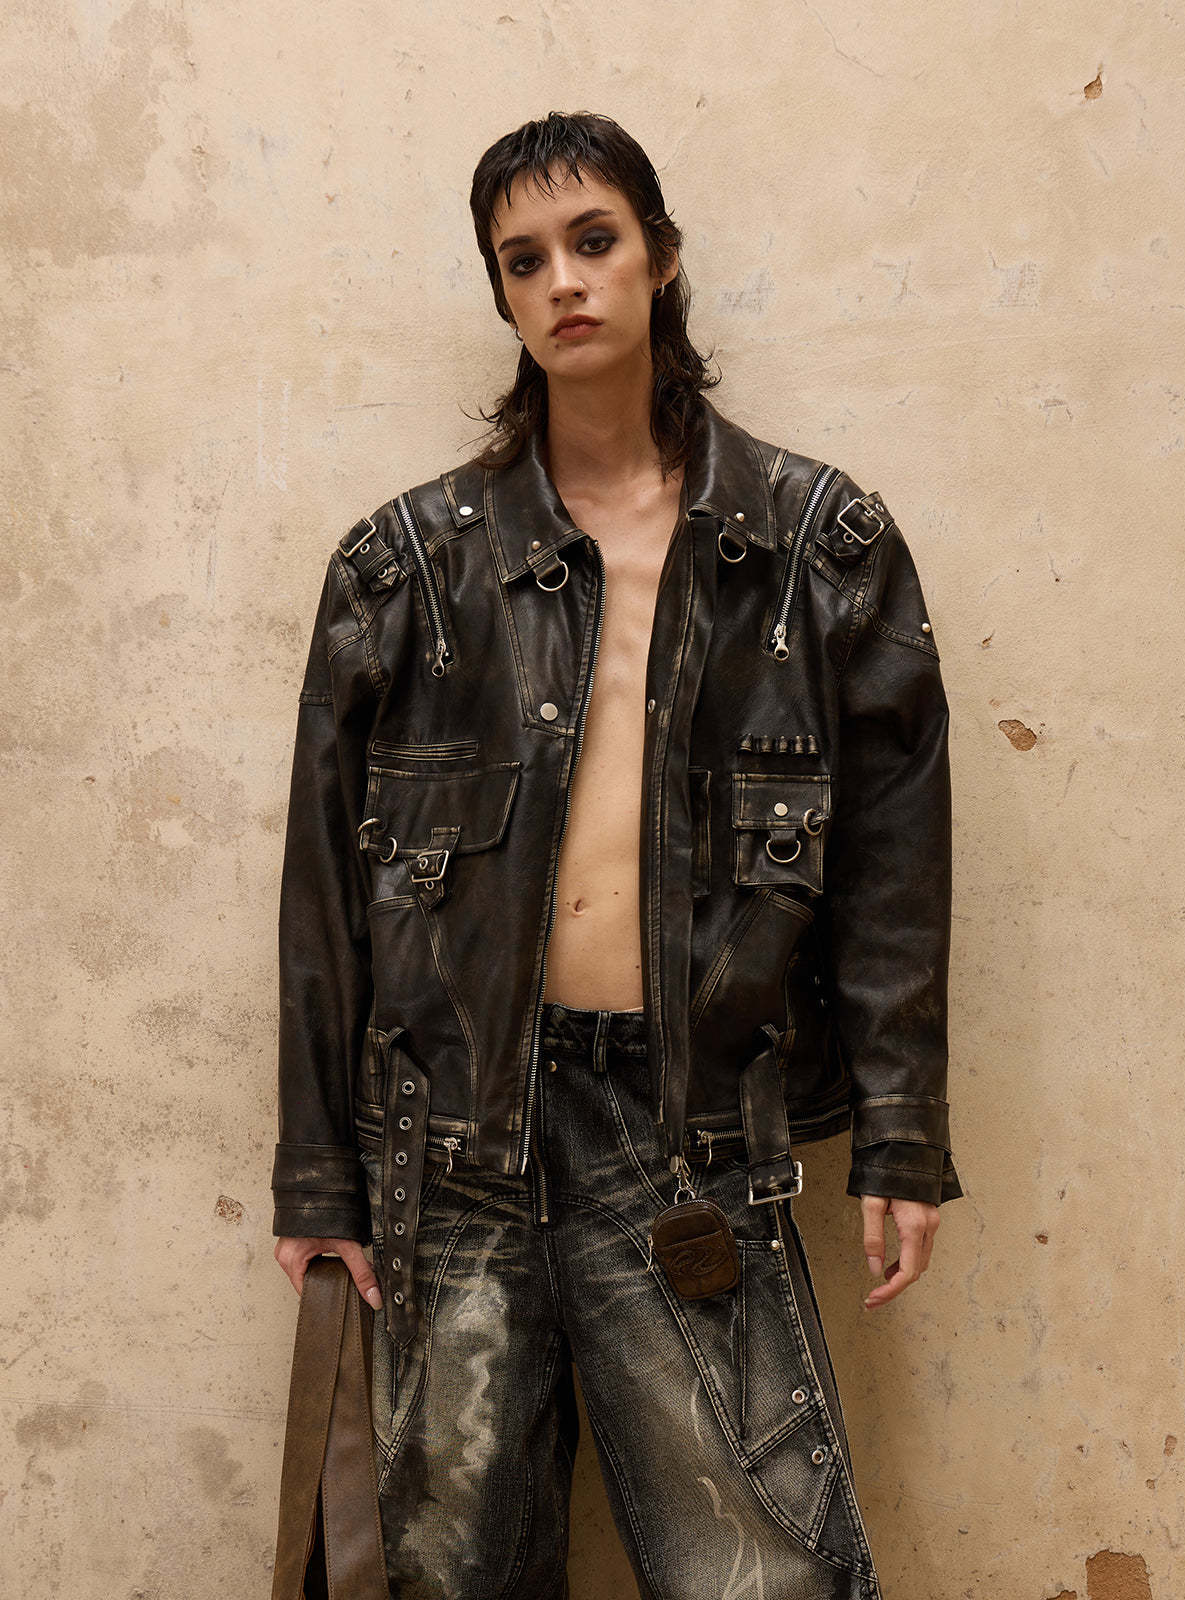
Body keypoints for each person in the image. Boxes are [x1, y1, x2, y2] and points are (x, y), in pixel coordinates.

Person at [271, 110, 964, 1599]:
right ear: (503, 297)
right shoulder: (406, 572)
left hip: (689, 1124)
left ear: (661, 258)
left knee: (761, 1573)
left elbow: (898, 863)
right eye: (524, 260)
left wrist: (901, 1132)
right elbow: (323, 891)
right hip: (454, 1137)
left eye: (594, 241)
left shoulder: (815, 549)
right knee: (449, 1574)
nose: (565, 281)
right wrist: (318, 1179)